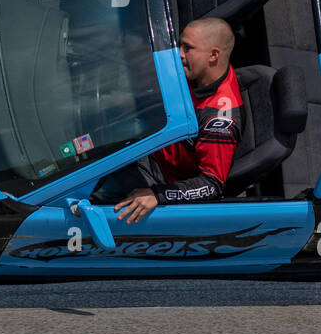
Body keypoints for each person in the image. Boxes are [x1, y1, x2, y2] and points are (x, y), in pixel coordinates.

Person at [89, 17, 243, 223]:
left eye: (187, 48)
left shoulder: (220, 120)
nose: (178, 53)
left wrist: (158, 195)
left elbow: (212, 184)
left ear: (213, 55)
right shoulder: (198, 73)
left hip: (160, 176)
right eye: (180, 44)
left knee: (84, 196)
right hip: (151, 143)